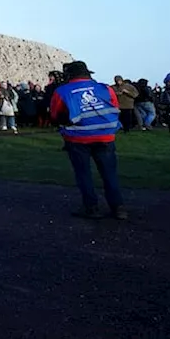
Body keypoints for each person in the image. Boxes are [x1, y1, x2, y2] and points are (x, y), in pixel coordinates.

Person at [49, 61, 127, 220]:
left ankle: (91, 208)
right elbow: (115, 107)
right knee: (109, 173)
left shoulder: (62, 91)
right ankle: (118, 208)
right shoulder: (105, 88)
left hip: (77, 138)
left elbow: (55, 115)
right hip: (105, 136)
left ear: (69, 75)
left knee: (83, 174)